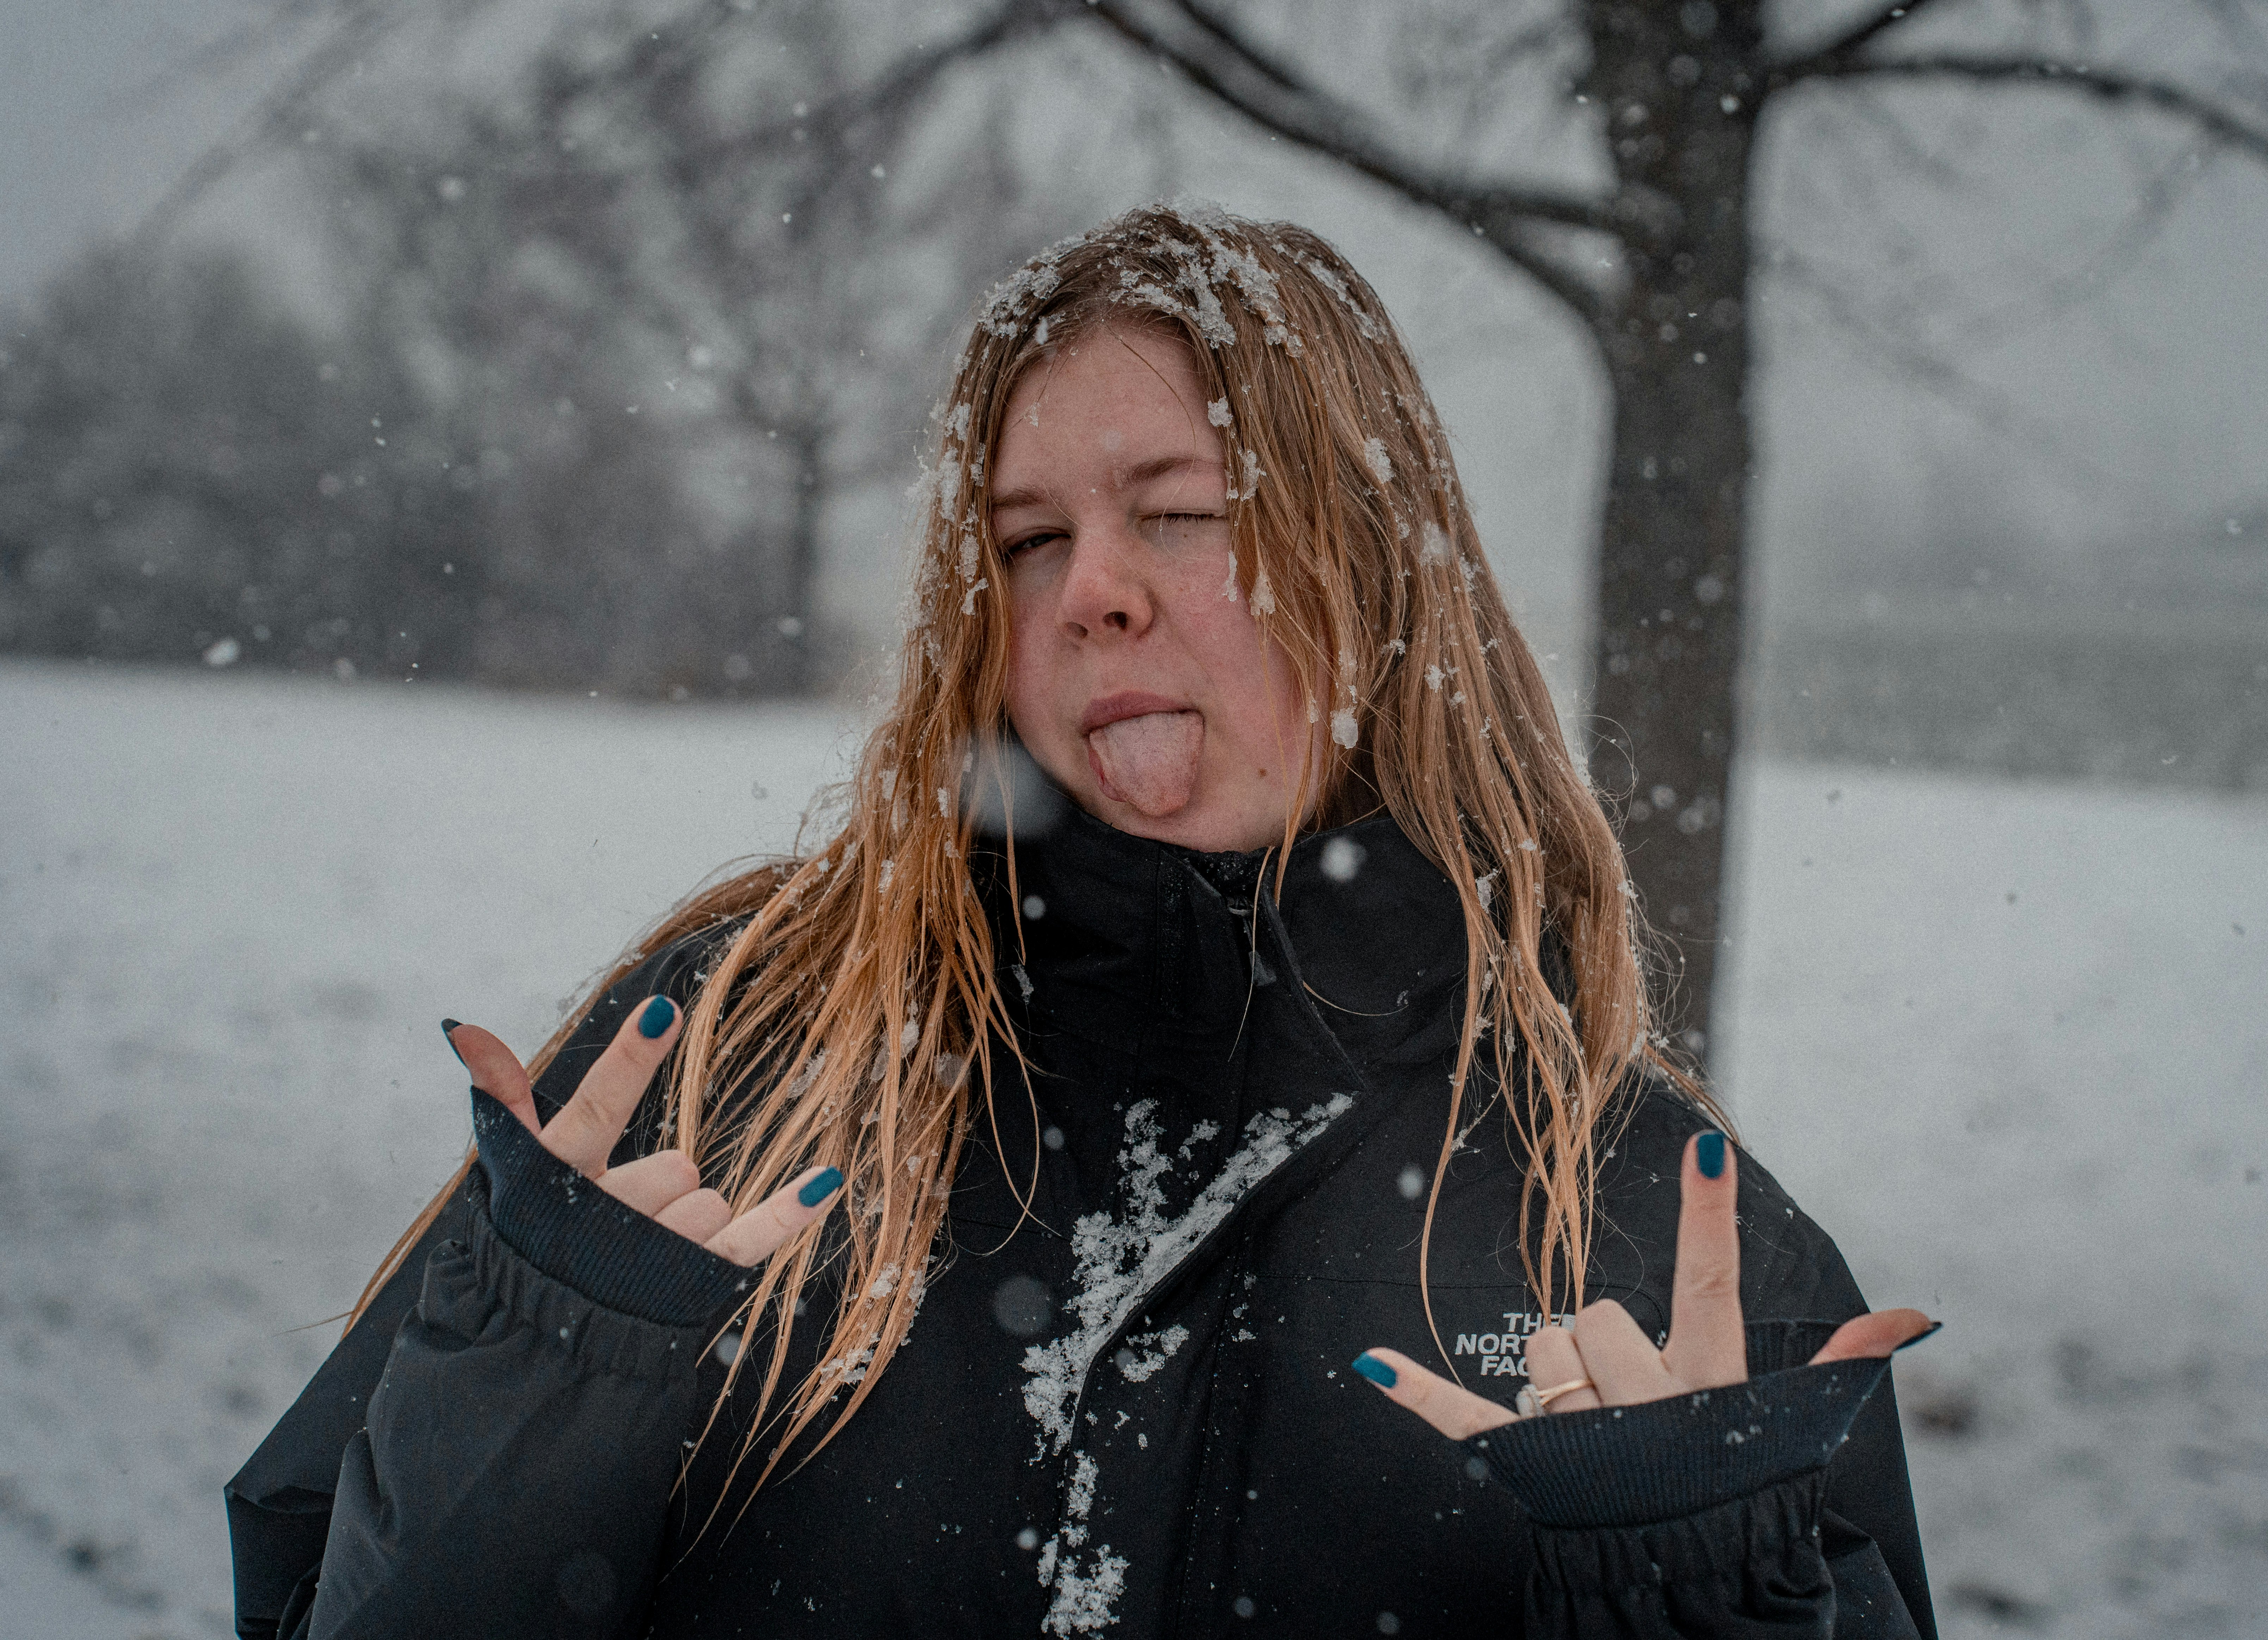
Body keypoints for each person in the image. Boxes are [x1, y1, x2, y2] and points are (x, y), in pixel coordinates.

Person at [228, 204, 1939, 1639]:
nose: (1092, 591)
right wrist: (533, 1383)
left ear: (1373, 562)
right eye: (1027, 539)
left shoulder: (1630, 1207)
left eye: (1180, 515)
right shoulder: (737, 1059)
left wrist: (1699, 1587)